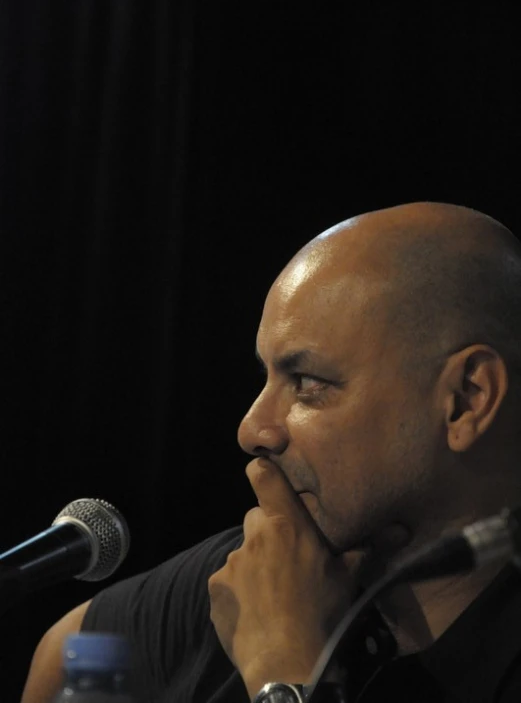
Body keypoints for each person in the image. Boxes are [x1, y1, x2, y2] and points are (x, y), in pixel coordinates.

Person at [20, 201, 521, 703]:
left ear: (465, 400)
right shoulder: (267, 571)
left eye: (307, 383)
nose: (251, 429)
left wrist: (283, 670)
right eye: (267, 376)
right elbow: (66, 653)